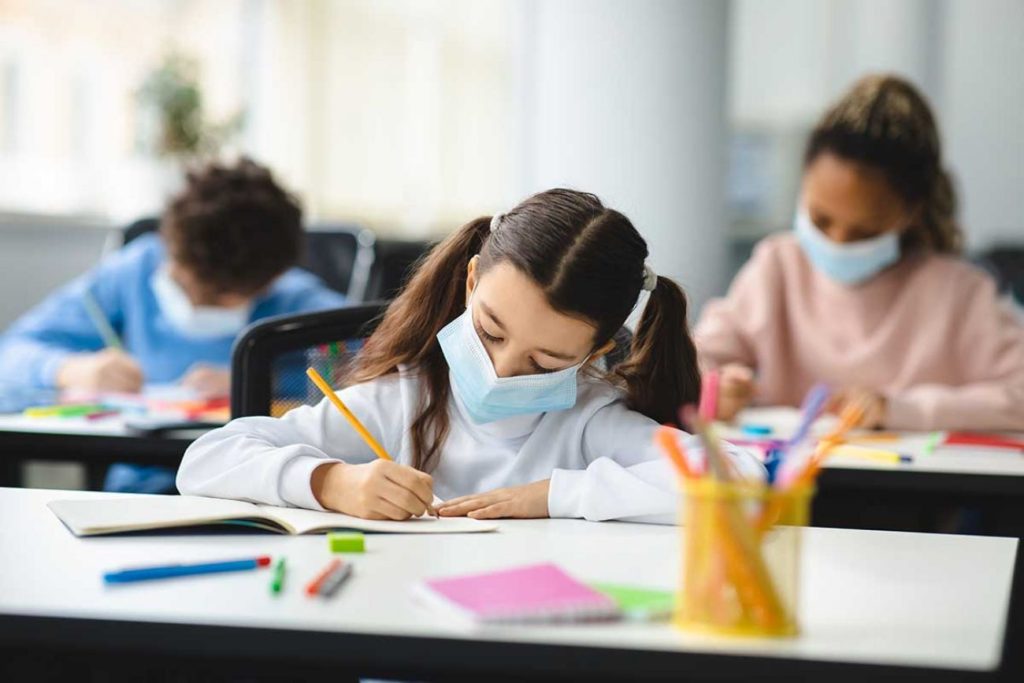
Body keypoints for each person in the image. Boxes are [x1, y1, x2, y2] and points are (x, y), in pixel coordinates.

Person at [177, 189, 762, 523]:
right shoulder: (402, 399)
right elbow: (206, 459)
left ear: (597, 351)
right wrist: (331, 482)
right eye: (490, 331)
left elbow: (742, 479)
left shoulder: (588, 419)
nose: (502, 372)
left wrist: (555, 496)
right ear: (471, 282)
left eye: (546, 361)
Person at [695, 75, 1024, 431]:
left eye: (865, 232)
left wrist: (902, 410)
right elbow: (691, 359)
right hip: (788, 480)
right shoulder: (777, 267)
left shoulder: (960, 293)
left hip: (909, 482)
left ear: (911, 214)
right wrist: (714, 387)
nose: (837, 241)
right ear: (804, 184)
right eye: (821, 220)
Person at [0, 158, 347, 492]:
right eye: (186, 282)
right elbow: (12, 352)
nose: (196, 302)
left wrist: (260, 379)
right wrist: (69, 369)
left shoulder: (296, 300)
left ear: (266, 283)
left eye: (219, 296)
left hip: (255, 486)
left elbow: (375, 366)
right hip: (140, 488)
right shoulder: (134, 272)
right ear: (172, 248)